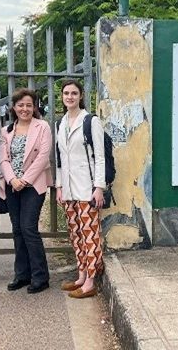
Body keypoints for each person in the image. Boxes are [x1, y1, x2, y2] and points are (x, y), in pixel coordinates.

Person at [0, 88, 52, 294]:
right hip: (13, 186)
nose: (25, 109)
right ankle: (22, 274)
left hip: (33, 186)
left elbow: (43, 157)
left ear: (35, 107)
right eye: (21, 105)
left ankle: (41, 276)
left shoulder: (42, 127)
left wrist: (25, 180)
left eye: (29, 105)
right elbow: (3, 158)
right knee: (18, 230)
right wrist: (12, 179)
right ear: (14, 107)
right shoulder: (6, 130)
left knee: (29, 228)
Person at [54, 79, 105, 299]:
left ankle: (91, 282)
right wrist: (58, 186)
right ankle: (82, 275)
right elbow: (59, 159)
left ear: (81, 96)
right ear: (62, 97)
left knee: (90, 234)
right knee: (76, 234)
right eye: (66, 93)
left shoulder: (90, 121)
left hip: (87, 187)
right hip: (68, 189)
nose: (70, 97)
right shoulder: (60, 123)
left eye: (74, 93)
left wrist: (99, 187)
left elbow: (100, 157)